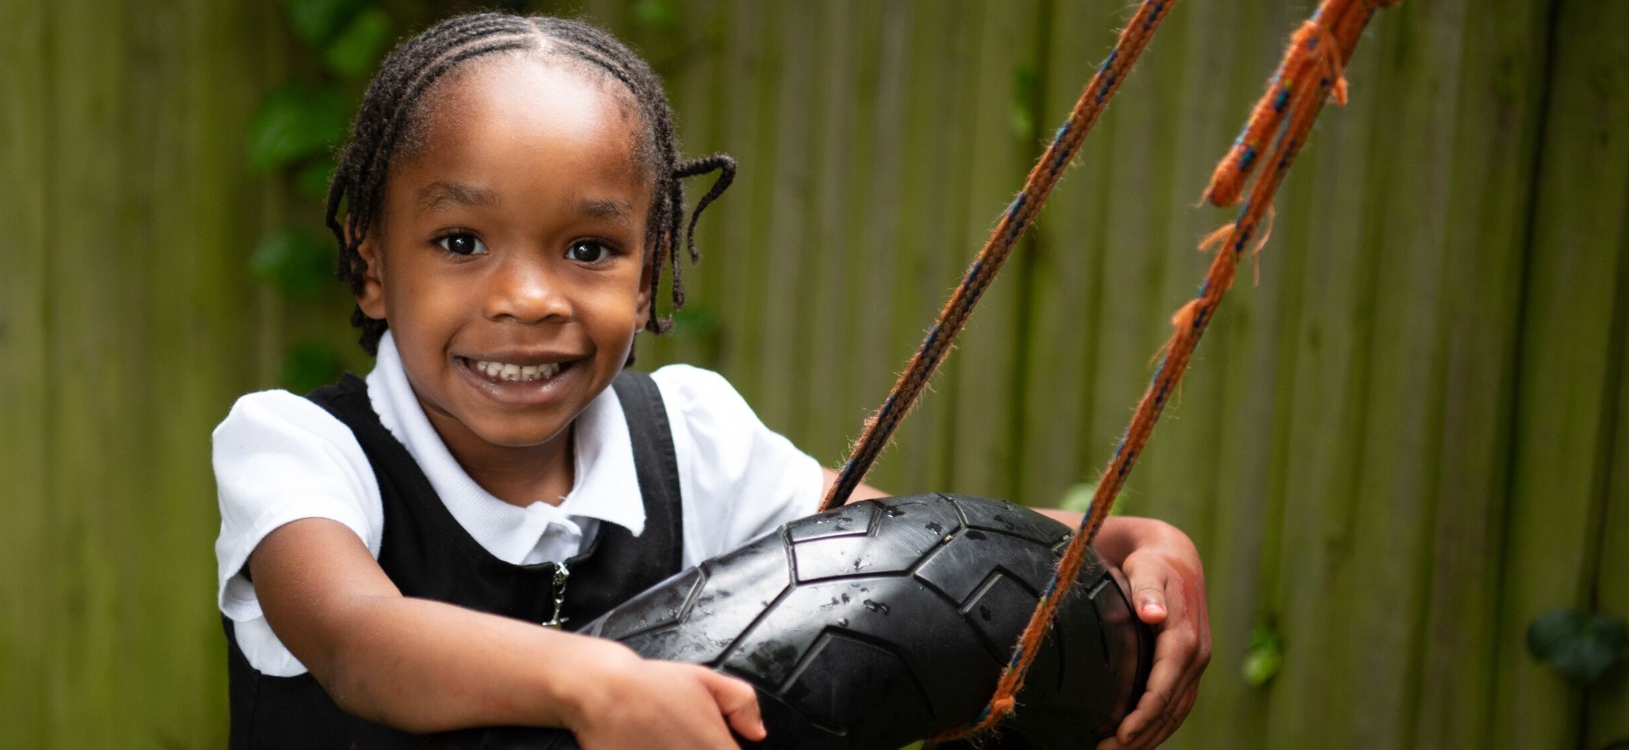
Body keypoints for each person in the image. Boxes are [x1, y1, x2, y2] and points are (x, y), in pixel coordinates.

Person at [213, 12, 1209, 750]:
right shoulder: (300, 448)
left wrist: (1115, 548)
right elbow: (356, 638)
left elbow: (909, 556)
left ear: (649, 276)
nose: (527, 297)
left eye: (588, 248)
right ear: (373, 261)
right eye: (460, 241)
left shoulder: (689, 441)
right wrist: (589, 684)